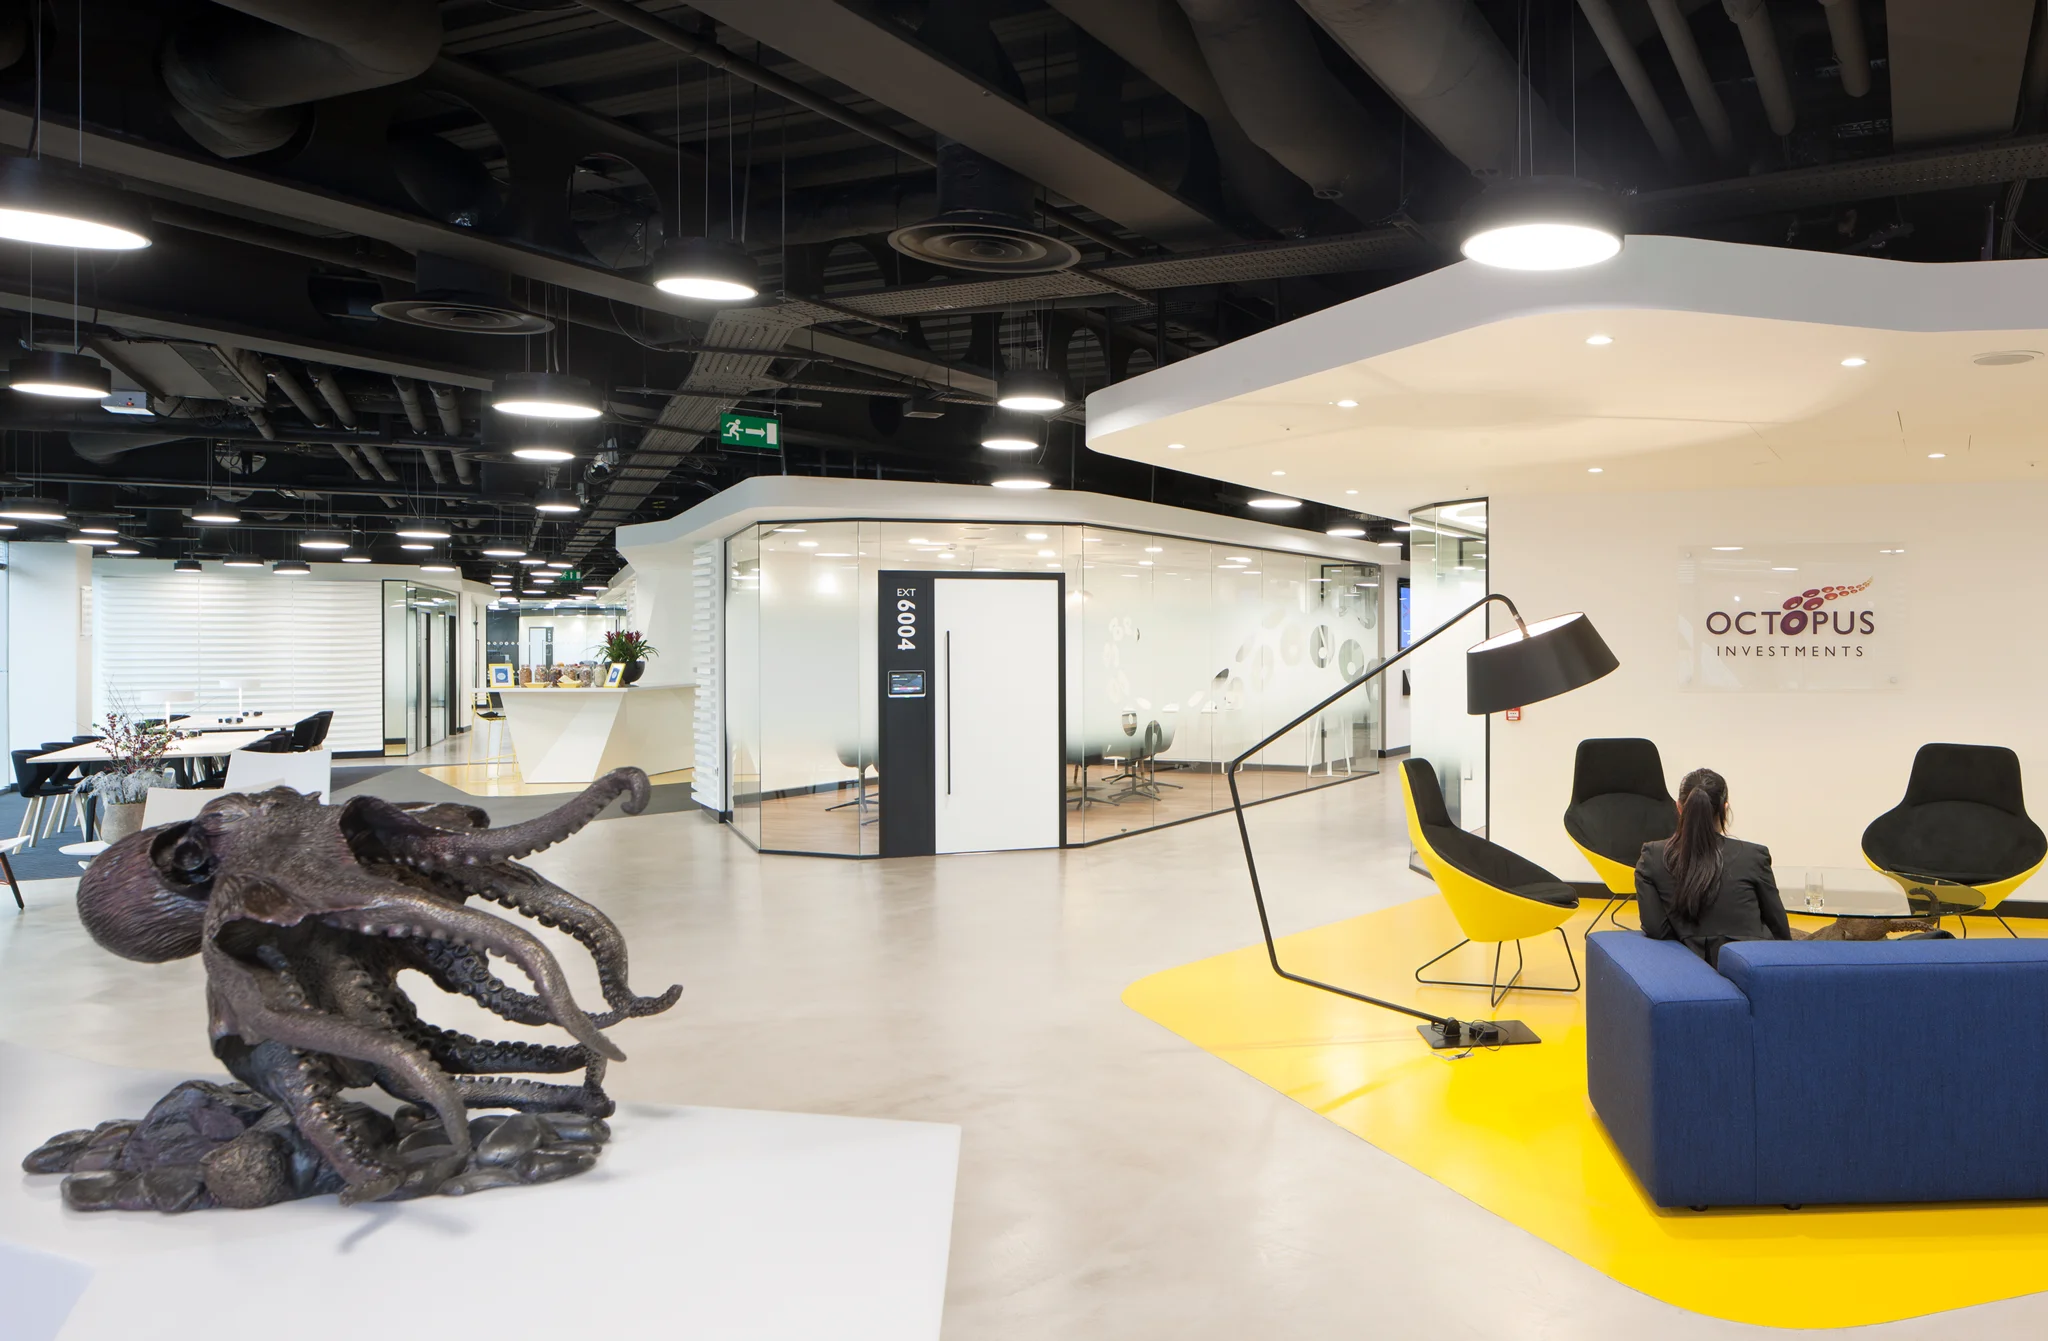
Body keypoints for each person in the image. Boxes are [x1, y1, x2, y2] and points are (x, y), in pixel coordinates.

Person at [1635, 767, 1790, 965]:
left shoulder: (1652, 856)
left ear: (1680, 807)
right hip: (1755, 968)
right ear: (1725, 808)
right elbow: (1781, 931)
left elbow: (1656, 929)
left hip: (1692, 969)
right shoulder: (1754, 856)